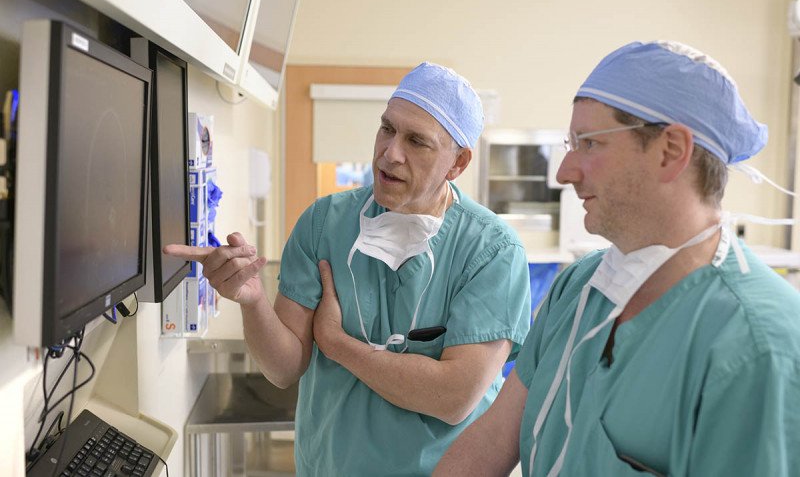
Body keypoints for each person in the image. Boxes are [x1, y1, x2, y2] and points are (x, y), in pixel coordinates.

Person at [434, 41, 800, 477]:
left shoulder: (758, 345)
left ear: (671, 151)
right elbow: (489, 444)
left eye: (588, 143)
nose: (564, 172)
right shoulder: (582, 287)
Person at [165, 62, 532, 476]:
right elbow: (283, 369)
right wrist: (252, 303)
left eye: (417, 141)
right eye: (387, 129)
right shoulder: (325, 223)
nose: (390, 153)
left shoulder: (491, 251)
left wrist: (337, 344)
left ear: (457, 163)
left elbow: (453, 398)